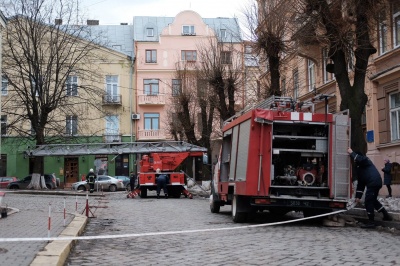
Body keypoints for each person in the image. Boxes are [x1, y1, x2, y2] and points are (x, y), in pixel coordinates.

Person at [348, 148, 392, 228]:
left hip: (373, 183)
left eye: (354, 159)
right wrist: (358, 196)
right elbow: (361, 183)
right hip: (375, 182)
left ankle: (371, 222)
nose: (353, 161)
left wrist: (352, 153)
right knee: (373, 200)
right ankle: (386, 215)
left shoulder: (365, 160)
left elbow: (360, 159)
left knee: (368, 201)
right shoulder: (360, 168)